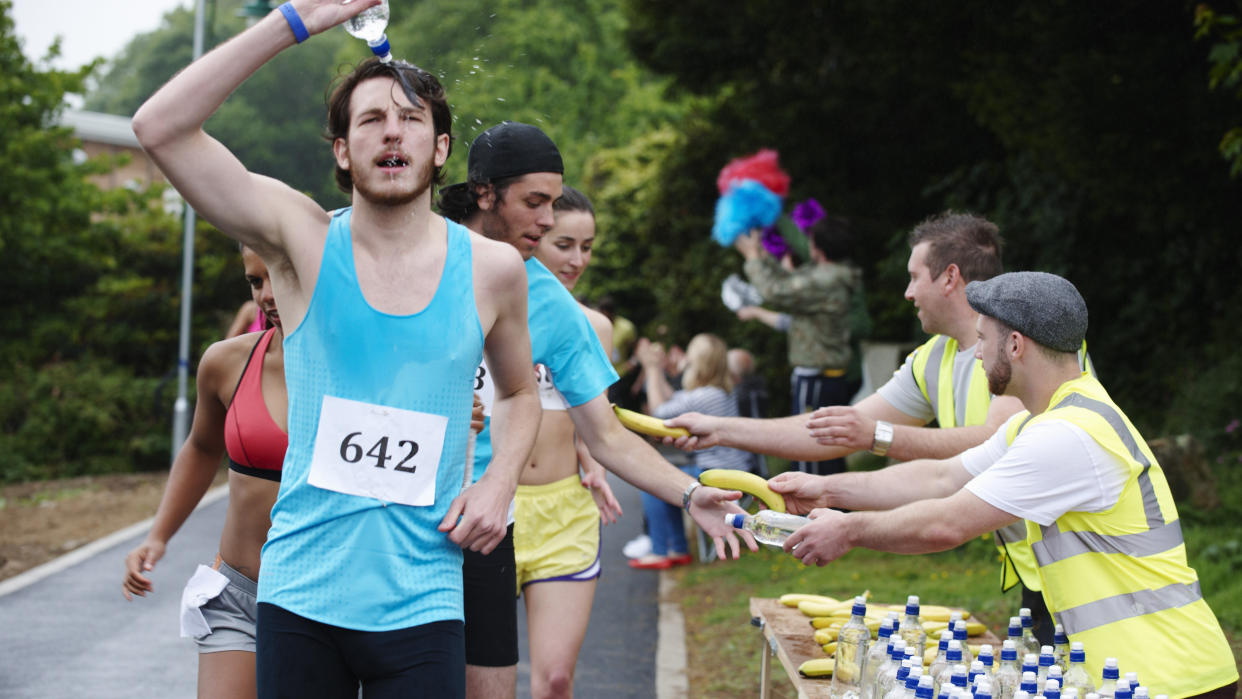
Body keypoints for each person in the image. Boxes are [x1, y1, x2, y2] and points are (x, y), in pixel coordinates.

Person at [132, 3, 543, 695]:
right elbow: (159, 127)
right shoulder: (303, 243)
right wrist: (298, 21)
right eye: (370, 120)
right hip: (300, 597)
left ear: (439, 148)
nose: (392, 131)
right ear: (342, 150)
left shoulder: (491, 269)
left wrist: (499, 479)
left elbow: (520, 391)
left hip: (424, 602)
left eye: (411, 119)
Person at [775, 271, 1238, 699]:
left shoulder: (1066, 435)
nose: (976, 353)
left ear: (1015, 344)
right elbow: (941, 477)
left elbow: (947, 524)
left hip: (1170, 680)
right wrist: (829, 491)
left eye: (982, 340)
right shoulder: (1045, 422)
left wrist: (849, 530)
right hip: (1139, 675)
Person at [436, 121, 754, 699]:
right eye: (535, 203)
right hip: (395, 513)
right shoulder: (412, 252)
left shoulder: (555, 308)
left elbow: (605, 434)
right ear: (484, 192)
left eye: (554, 205)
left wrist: (688, 493)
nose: (547, 221)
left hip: (484, 522)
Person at [670, 211, 1075, 642]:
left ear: (950, 277)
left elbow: (984, 453)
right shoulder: (932, 358)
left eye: (914, 276)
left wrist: (873, 453)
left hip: (1080, 575)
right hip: (1042, 572)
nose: (906, 292)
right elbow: (888, 452)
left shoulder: (1024, 350)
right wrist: (722, 429)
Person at [122, 246, 286, 699]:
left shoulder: (365, 370)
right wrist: (158, 535)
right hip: (237, 594)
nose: (267, 295)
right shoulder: (226, 362)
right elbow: (201, 447)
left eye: (279, 275)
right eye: (255, 281)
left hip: (321, 603)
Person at [490, 185, 618, 699]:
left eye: (587, 247)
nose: (577, 259)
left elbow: (592, 424)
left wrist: (595, 464)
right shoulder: (486, 311)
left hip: (564, 509)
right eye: (565, 244)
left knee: (557, 680)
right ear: (537, 234)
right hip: (492, 508)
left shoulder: (595, 328)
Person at [736, 215, 864, 475]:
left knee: (809, 454)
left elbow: (777, 292)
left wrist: (751, 258)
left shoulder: (825, 280)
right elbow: (787, 280)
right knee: (827, 455)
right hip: (824, 380)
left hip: (817, 380)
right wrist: (761, 254)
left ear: (818, 247)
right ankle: (834, 511)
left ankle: (813, 513)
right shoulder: (827, 275)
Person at [629, 333, 753, 570]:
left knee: (653, 481)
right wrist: (659, 369)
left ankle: (662, 550)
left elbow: (659, 414)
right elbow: (674, 400)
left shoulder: (707, 395)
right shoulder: (715, 391)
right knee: (665, 477)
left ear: (700, 362)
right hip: (726, 469)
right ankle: (676, 548)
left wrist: (652, 369)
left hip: (720, 474)